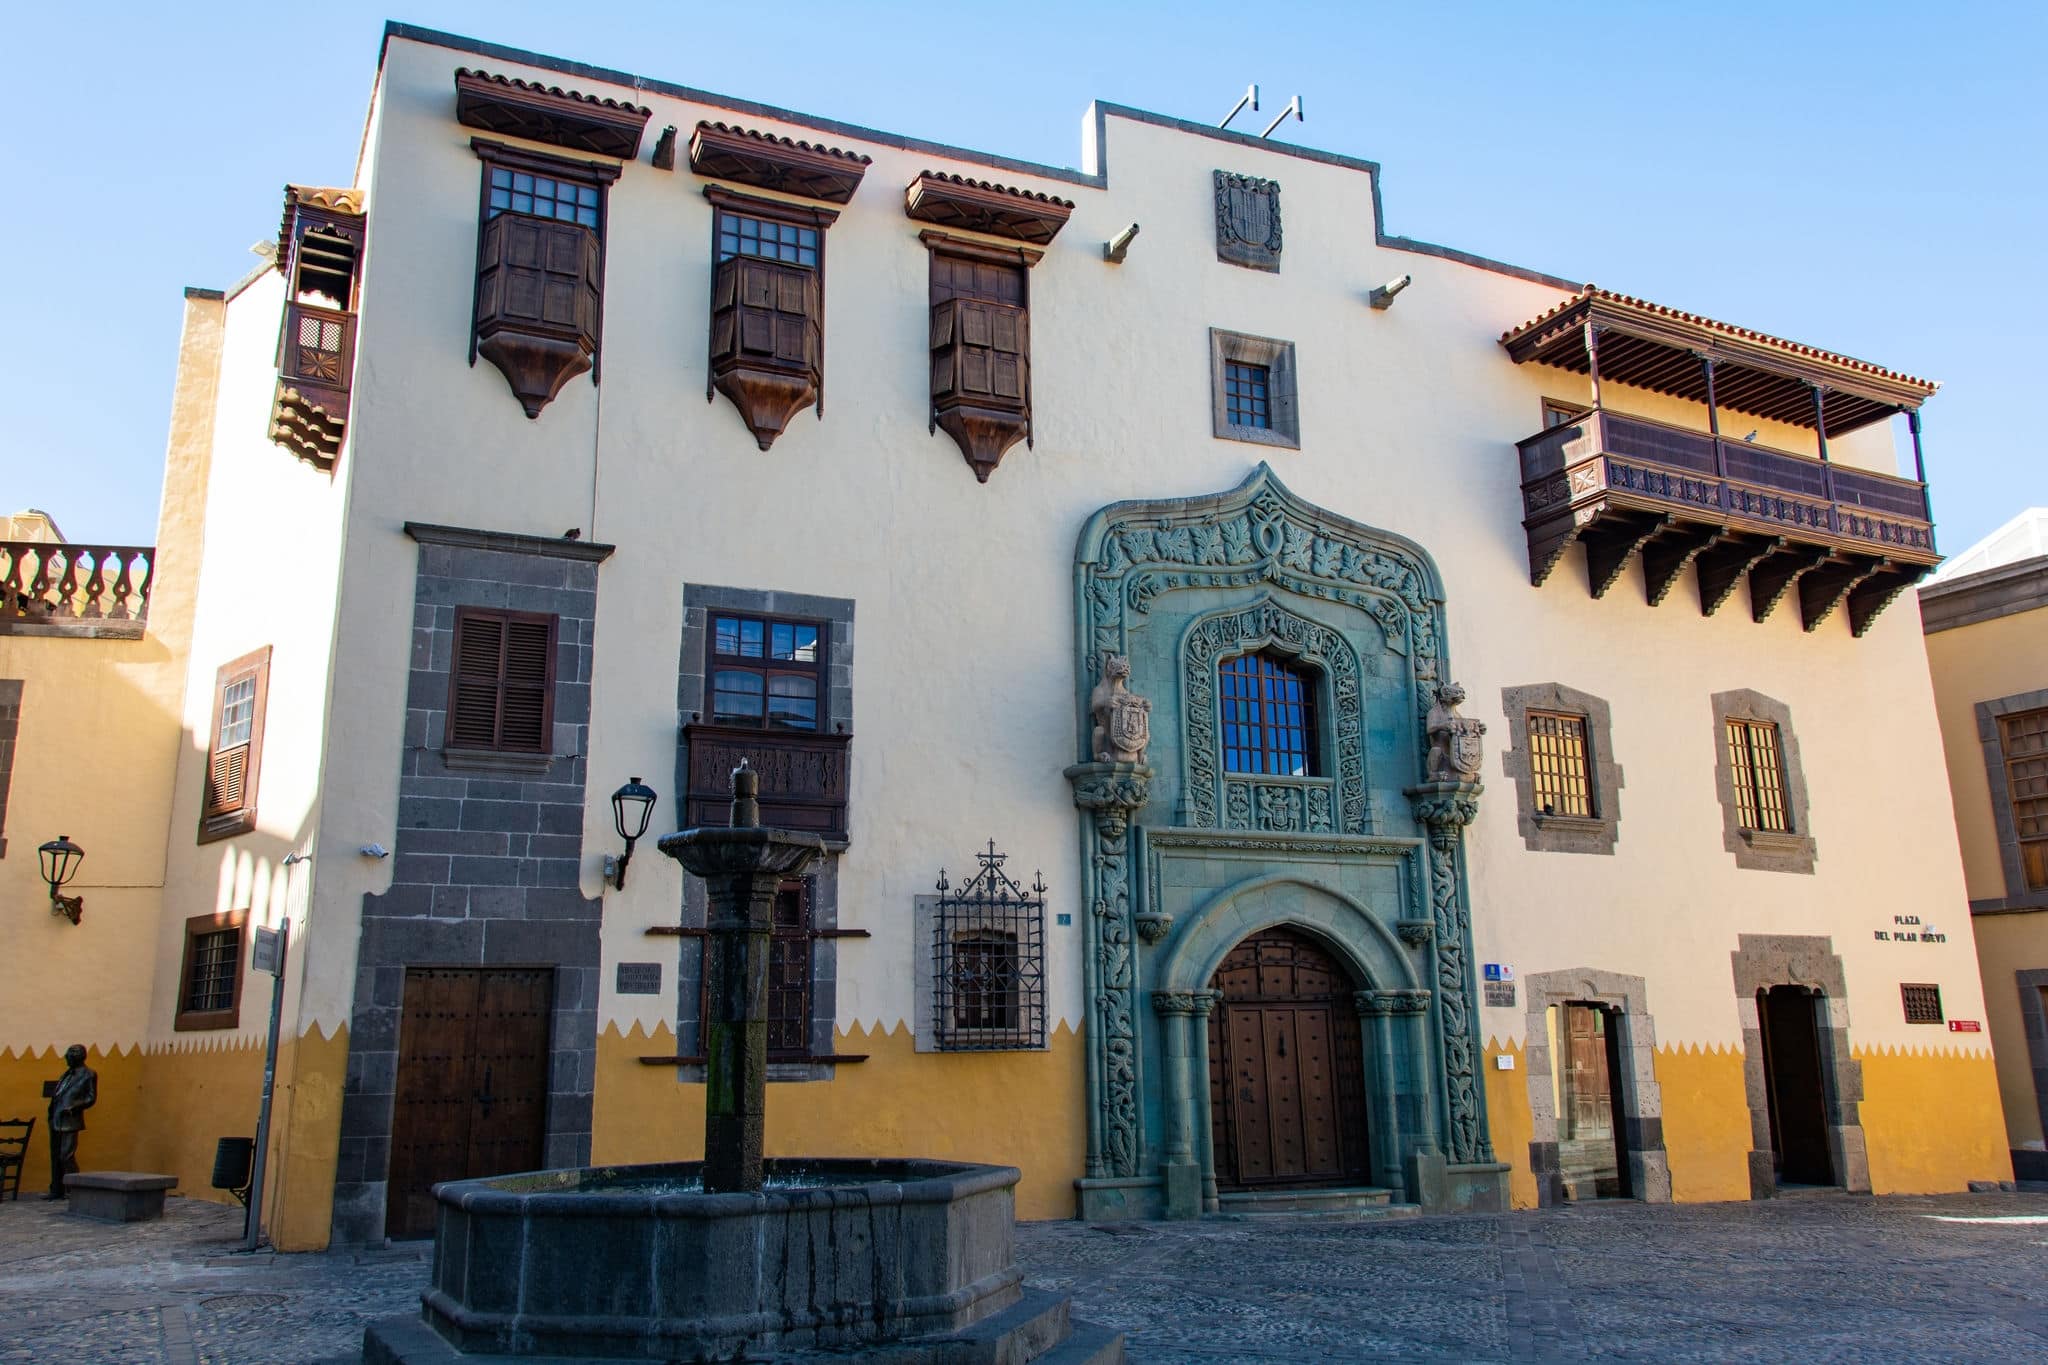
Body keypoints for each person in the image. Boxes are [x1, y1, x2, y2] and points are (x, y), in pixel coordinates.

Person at [45, 1044, 96, 1200]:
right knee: (55, 1156)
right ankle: (56, 1189)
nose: (66, 1058)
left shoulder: (89, 1074)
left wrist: (74, 1106)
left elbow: (91, 1097)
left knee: (66, 1155)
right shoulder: (66, 1074)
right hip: (56, 1118)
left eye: (68, 1056)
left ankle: (74, 1189)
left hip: (70, 1119)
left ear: (77, 1057)